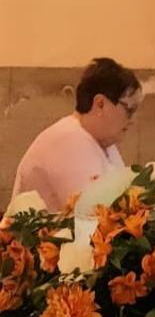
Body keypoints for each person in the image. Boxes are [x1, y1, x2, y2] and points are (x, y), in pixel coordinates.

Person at [12, 57, 142, 211]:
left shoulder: (102, 142)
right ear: (100, 104)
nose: (133, 120)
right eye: (129, 109)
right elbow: (94, 215)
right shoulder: (67, 142)